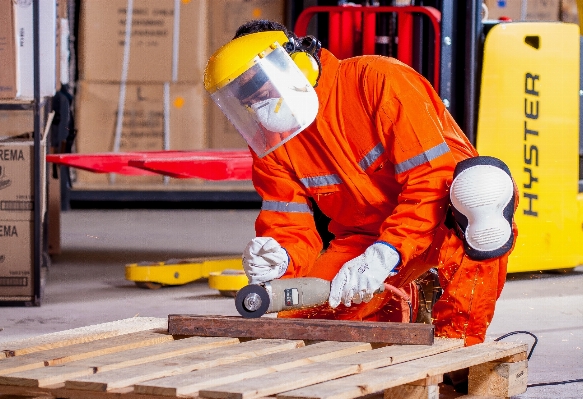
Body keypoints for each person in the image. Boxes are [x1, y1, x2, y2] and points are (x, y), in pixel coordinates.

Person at [204, 20, 518, 348]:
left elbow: (431, 180)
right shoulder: (272, 141)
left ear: (296, 64)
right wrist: (279, 255)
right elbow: (288, 224)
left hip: (444, 220)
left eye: (261, 89)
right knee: (307, 326)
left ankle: (458, 345)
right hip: (366, 240)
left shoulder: (378, 80)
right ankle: (407, 299)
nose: (257, 105)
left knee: (483, 189)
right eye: (247, 99)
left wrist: (386, 254)